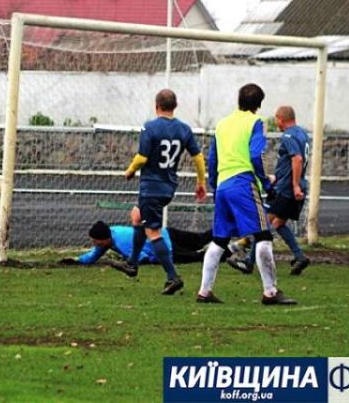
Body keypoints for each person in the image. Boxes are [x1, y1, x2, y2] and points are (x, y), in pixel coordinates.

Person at [197, 83, 297, 305]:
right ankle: (270, 292)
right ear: (259, 104)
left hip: (223, 185)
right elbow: (255, 156)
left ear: (239, 100)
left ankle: (204, 291)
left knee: (220, 239)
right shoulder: (255, 122)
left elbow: (212, 159)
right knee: (263, 235)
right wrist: (266, 184)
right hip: (243, 183)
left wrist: (215, 186)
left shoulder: (222, 124)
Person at [110, 89, 207, 295]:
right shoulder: (184, 129)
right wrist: (201, 182)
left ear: (156, 106)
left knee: (152, 231)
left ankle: (172, 277)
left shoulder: (150, 127)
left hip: (151, 187)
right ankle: (132, 264)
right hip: (168, 186)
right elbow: (198, 157)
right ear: (175, 106)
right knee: (137, 216)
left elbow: (142, 158)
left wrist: (130, 171)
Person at [226, 105, 311, 275]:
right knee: (278, 223)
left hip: (286, 189)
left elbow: (297, 159)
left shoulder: (288, 136)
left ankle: (248, 262)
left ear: (280, 119)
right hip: (295, 186)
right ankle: (299, 256)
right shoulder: (302, 133)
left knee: (262, 223)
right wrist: (280, 177)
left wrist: (293, 185)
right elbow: (294, 160)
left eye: (276, 119)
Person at [59, 208, 217, 266]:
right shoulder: (111, 233)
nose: (95, 244)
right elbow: (94, 254)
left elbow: (143, 258)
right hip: (166, 233)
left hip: (166, 248)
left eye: (96, 241)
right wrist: (78, 260)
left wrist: (127, 262)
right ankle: (225, 229)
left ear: (104, 239)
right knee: (200, 240)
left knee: (197, 256)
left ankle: (225, 251)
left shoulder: (122, 243)